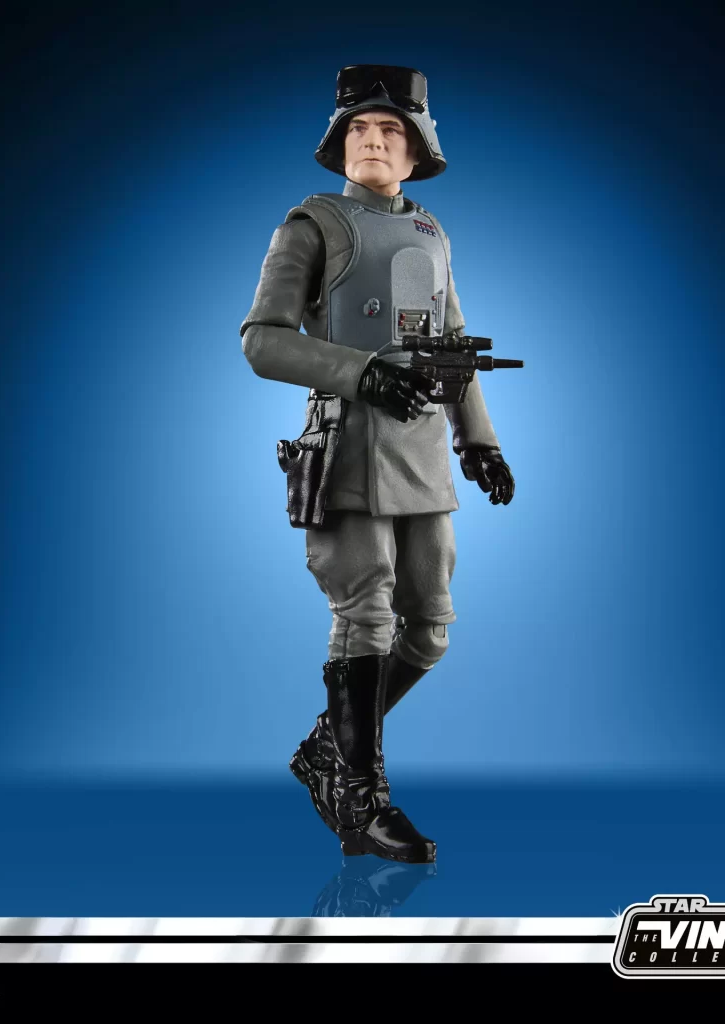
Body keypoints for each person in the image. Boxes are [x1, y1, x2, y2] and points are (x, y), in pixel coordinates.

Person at [240, 66, 515, 864]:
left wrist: (480, 440)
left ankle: (328, 745)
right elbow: (262, 341)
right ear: (338, 143)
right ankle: (360, 801)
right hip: (349, 448)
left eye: (390, 130)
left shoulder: (431, 233)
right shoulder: (312, 225)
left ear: (416, 150)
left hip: (423, 454)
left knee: (429, 628)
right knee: (364, 615)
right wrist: (361, 373)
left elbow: (452, 343)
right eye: (358, 128)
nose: (372, 140)